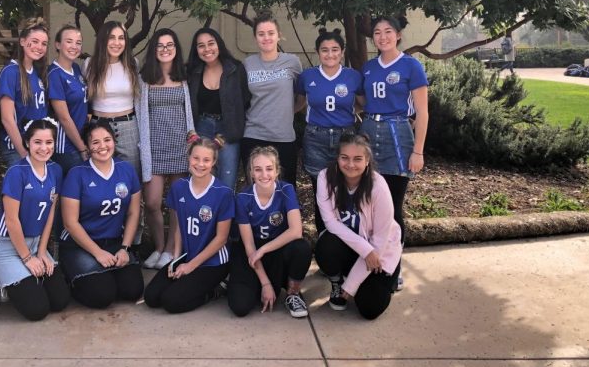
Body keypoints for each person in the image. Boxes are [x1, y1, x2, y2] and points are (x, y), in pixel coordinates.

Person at [359, 16, 428, 291]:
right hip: (368, 132)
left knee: (392, 206)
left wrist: (418, 151)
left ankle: (393, 266)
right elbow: (362, 100)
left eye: (388, 31)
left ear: (398, 35)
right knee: (366, 203)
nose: (383, 36)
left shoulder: (411, 66)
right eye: (377, 32)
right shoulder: (367, 68)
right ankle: (368, 259)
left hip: (397, 135)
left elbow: (422, 111)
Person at [0, 119, 70, 320]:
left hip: (35, 244)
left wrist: (41, 251)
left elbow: (51, 212)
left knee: (60, 301)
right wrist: (27, 258)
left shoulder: (56, 170)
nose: (44, 148)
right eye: (37, 142)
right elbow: (12, 220)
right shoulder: (17, 172)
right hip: (8, 246)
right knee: (36, 310)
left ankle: (23, 278)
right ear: (27, 143)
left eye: (49, 142)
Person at [314, 133, 401, 320]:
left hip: (380, 251)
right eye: (344, 158)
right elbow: (330, 222)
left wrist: (352, 284)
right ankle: (337, 282)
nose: (350, 164)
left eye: (357, 159)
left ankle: (389, 277)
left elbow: (379, 242)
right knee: (326, 245)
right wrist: (365, 250)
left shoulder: (378, 186)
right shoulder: (325, 178)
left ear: (367, 160)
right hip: (356, 249)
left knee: (370, 308)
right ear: (337, 158)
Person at [58, 120, 144, 308]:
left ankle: (106, 273)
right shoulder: (77, 174)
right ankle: (69, 272)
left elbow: (133, 212)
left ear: (114, 140)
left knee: (132, 291)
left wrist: (125, 248)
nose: (102, 146)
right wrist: (97, 253)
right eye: (95, 142)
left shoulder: (126, 170)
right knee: (102, 297)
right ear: (87, 147)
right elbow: (70, 223)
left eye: (107, 140)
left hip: (113, 242)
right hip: (80, 245)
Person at [144, 135, 234, 314]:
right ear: (188, 158)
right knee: (152, 298)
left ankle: (215, 291)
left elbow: (221, 239)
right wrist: (175, 261)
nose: (200, 164)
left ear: (214, 162)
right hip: (187, 256)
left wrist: (190, 266)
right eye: (196, 158)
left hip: (213, 262)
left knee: (172, 302)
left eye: (206, 160)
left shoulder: (223, 193)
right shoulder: (180, 187)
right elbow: (179, 227)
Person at [228, 146, 312, 318]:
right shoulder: (243, 198)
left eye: (269, 169)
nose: (264, 175)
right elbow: (249, 246)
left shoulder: (286, 190)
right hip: (252, 254)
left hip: (276, 249)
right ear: (251, 172)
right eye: (258, 169)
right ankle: (250, 283)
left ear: (276, 171)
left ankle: (292, 294)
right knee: (240, 307)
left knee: (301, 247)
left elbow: (296, 231)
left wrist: (264, 249)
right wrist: (265, 283)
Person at [137, 28, 195, 270]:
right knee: (151, 202)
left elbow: (189, 113)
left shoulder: (185, 78)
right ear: (154, 50)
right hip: (154, 148)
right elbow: (140, 114)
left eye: (169, 45)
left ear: (176, 48)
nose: (165, 49)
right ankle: (159, 247)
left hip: (180, 147)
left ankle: (172, 250)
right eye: (160, 45)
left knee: (176, 202)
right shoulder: (144, 79)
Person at [296, 28, 363, 232]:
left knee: (347, 189)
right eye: (325, 50)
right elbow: (298, 104)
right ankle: (324, 241)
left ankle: (348, 239)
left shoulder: (353, 76)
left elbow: (362, 104)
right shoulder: (308, 76)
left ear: (342, 52)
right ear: (318, 52)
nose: (330, 54)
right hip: (316, 137)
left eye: (335, 49)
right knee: (321, 192)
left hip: (346, 137)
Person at [241, 14, 303, 187]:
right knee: (256, 188)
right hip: (253, 135)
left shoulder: (292, 62)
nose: (266, 37)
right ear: (255, 38)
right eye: (261, 34)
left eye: (270, 33)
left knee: (285, 188)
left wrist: (288, 111)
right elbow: (242, 99)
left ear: (278, 35)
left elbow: (302, 95)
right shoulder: (247, 64)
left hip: (283, 136)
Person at [186, 27, 251, 191]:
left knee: (227, 183)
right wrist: (190, 132)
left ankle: (224, 217)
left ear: (219, 44)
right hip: (201, 127)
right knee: (199, 179)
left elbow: (244, 102)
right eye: (201, 45)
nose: (207, 49)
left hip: (228, 130)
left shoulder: (235, 69)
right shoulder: (191, 72)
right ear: (196, 50)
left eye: (211, 43)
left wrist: (230, 132)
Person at [85, 21, 141, 176]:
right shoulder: (90, 64)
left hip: (128, 126)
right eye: (112, 38)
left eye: (121, 38)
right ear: (103, 40)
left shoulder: (133, 64)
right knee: (99, 174)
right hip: (99, 125)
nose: (117, 43)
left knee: (130, 174)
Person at [0, 20, 49, 167]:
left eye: (44, 44)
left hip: (38, 146)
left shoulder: (38, 72)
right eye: (35, 41)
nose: (39, 47)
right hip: (17, 148)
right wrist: (23, 152)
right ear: (22, 41)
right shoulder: (11, 72)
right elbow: (7, 118)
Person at [47, 25, 90, 175]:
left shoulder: (77, 69)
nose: (74, 46)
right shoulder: (54, 74)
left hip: (79, 140)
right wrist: (82, 147)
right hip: (66, 146)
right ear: (58, 44)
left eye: (78, 43)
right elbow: (64, 118)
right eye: (69, 41)